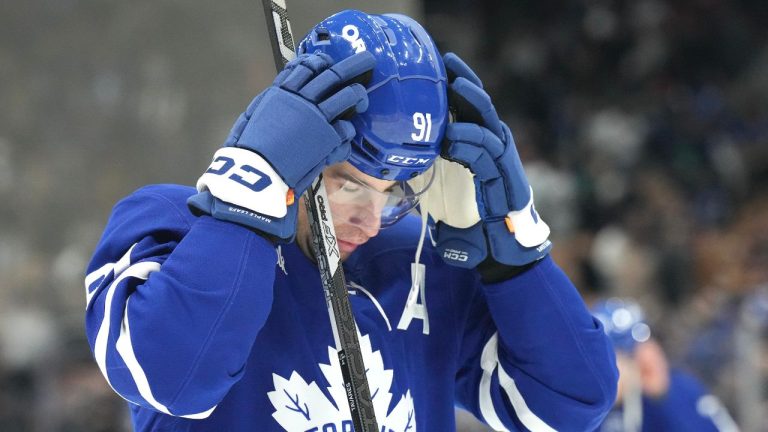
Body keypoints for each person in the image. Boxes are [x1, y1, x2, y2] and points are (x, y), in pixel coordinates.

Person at [84, 10, 618, 431]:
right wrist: (247, 197)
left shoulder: (416, 256)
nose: (370, 221)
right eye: (349, 184)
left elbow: (571, 407)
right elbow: (175, 378)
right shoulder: (168, 223)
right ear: (294, 144)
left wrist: (516, 254)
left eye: (396, 191)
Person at [591, 298, 739, 432]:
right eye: (628, 351)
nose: (647, 353)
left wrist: (660, 397)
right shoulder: (589, 405)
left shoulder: (681, 387)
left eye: (647, 339)